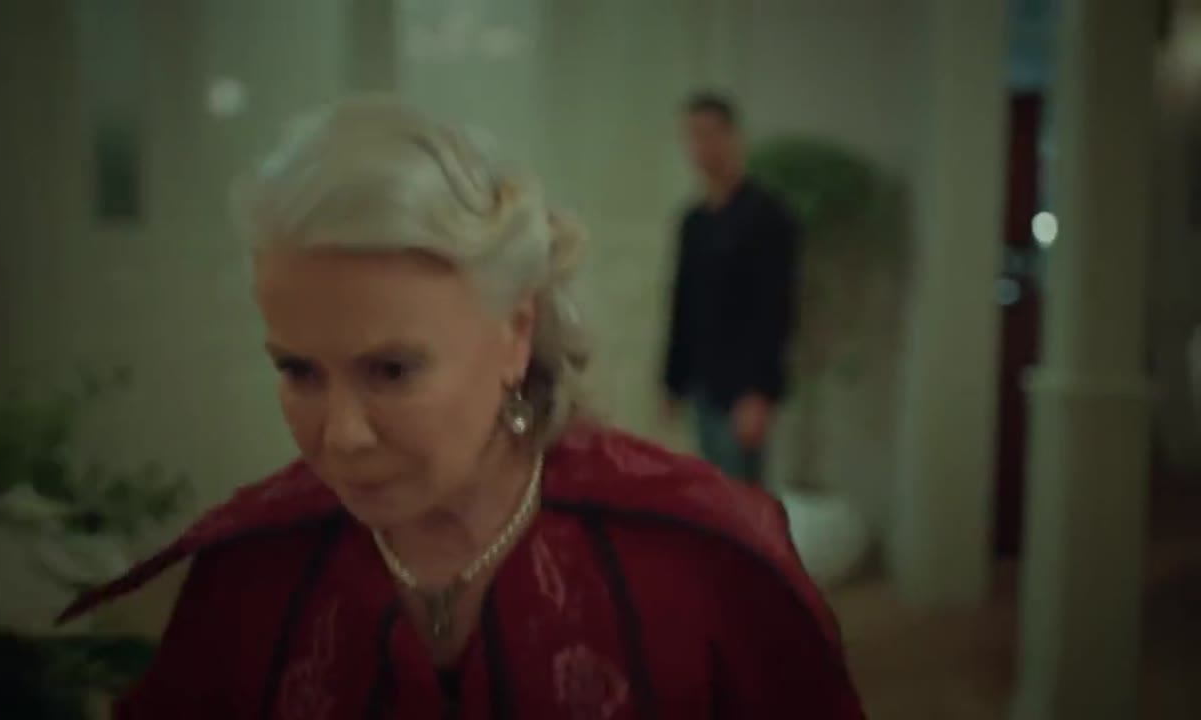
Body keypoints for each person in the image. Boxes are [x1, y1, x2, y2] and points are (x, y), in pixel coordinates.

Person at [59, 96, 861, 718]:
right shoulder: (246, 576)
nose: (341, 438)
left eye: (392, 370)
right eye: (299, 371)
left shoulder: (701, 562)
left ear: (516, 333)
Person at [662, 92, 800, 485]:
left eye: (710, 134)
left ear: (733, 138)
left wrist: (759, 392)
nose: (701, 146)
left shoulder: (767, 216)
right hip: (702, 383)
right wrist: (672, 381)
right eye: (693, 135)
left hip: (742, 390)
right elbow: (683, 302)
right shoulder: (694, 221)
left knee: (740, 496)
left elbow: (776, 309)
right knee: (709, 490)